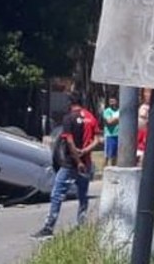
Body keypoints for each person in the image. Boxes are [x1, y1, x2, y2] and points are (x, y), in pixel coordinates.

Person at [32, 92, 99, 239]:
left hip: (71, 164)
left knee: (57, 195)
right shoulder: (90, 117)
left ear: (70, 104)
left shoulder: (69, 118)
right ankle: (81, 225)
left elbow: (69, 142)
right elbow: (97, 140)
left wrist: (78, 161)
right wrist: (85, 152)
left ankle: (49, 227)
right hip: (86, 164)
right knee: (83, 196)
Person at [101, 96, 119, 168]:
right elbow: (109, 122)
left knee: (115, 156)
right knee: (107, 155)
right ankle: (104, 170)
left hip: (118, 135)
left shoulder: (119, 110)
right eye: (110, 101)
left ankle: (113, 169)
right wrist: (120, 118)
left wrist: (115, 119)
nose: (112, 103)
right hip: (110, 135)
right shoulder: (107, 111)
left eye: (113, 101)